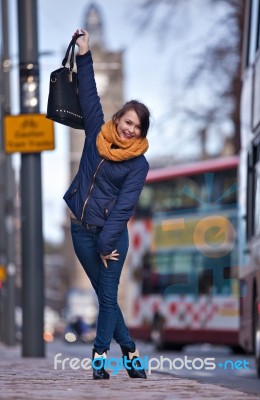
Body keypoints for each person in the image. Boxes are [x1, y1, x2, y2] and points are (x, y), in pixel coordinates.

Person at [63, 29, 150, 380]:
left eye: (138, 128)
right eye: (128, 122)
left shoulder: (138, 165)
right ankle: (129, 351)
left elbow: (125, 206)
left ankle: (99, 358)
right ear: (118, 120)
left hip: (110, 239)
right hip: (80, 232)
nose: (131, 130)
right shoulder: (97, 132)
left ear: (142, 134)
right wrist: (83, 52)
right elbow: (88, 93)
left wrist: (105, 243)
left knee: (108, 298)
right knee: (106, 296)